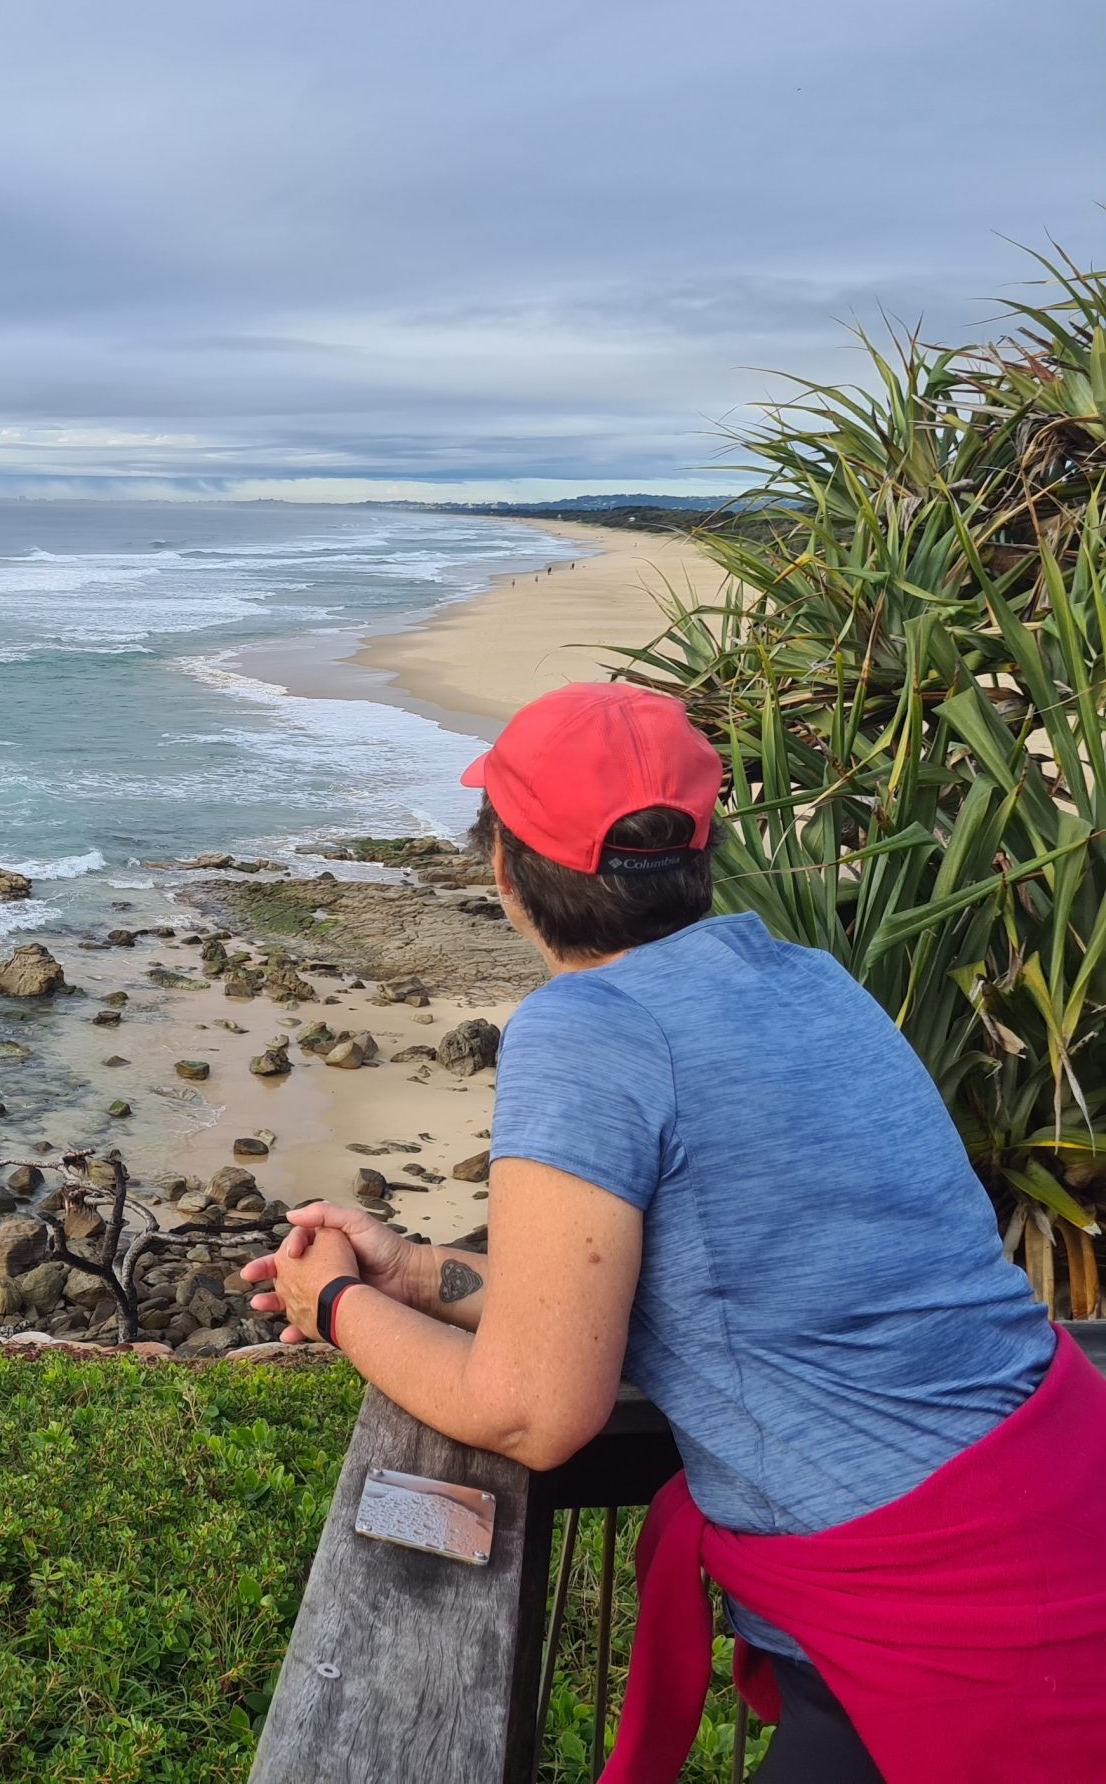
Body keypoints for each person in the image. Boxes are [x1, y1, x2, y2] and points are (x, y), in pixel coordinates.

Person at [240, 681, 1106, 1784]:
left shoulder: (585, 1025)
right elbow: (683, 1283)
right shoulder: (810, 982)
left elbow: (532, 1410)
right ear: (703, 849)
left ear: (505, 874)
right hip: (1062, 1488)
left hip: (947, 1615)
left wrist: (333, 1305)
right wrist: (408, 1267)